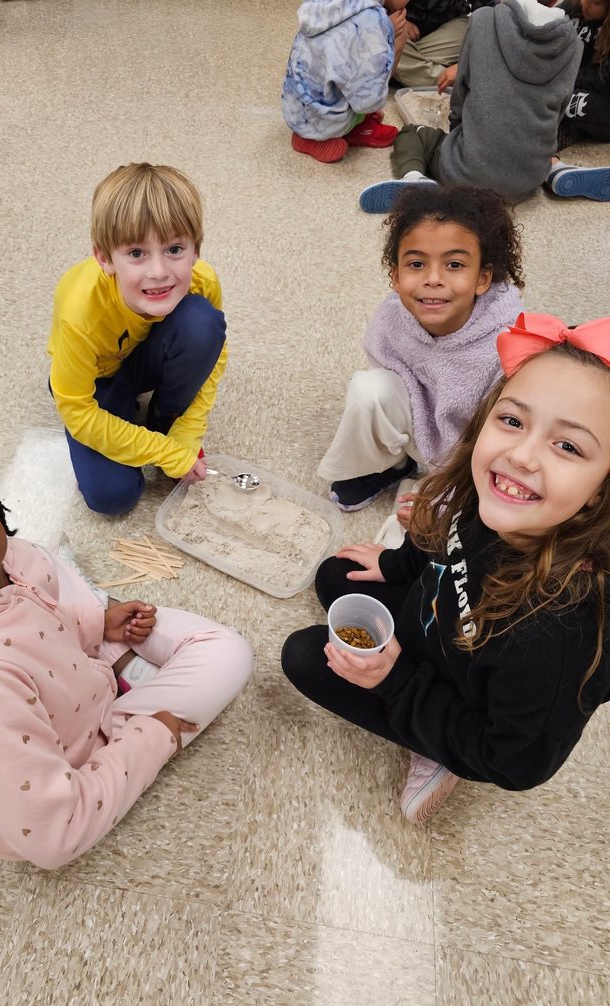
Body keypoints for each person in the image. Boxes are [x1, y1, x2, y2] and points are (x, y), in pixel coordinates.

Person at [0, 454, 253, 869]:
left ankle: (109, 647)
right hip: (77, 763)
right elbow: (53, 839)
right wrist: (154, 736)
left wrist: (96, 623)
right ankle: (121, 668)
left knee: (38, 557)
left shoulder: (5, 565)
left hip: (79, 689)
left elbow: (32, 627)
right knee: (228, 656)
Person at [284, 315, 610, 823]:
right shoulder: (495, 497)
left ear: (600, 495)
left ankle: (438, 752)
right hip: (442, 629)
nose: (520, 455)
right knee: (337, 575)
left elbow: (514, 761)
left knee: (304, 656)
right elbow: (452, 547)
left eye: (567, 446)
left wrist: (394, 681)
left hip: (465, 702)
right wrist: (397, 561)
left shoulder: (555, 636)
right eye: (513, 421)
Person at [318, 184, 523, 511]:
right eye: (416, 265)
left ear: (483, 279)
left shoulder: (508, 344)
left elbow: (507, 436)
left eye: (454, 265)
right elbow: (393, 382)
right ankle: (388, 465)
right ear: (395, 276)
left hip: (475, 452)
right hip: (423, 429)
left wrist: (452, 491)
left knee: (433, 536)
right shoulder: (392, 318)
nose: (433, 279)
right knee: (368, 389)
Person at [48, 163, 227, 516]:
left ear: (196, 251)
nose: (159, 272)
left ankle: (165, 414)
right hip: (99, 380)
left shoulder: (202, 280)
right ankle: (141, 419)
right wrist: (164, 452)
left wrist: (185, 433)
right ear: (104, 257)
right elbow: (79, 413)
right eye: (136, 253)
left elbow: (215, 356)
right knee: (113, 497)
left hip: (146, 355)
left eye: (175, 249)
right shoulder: (79, 312)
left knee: (203, 325)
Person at [359, 0, 610, 210]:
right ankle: (555, 170)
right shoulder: (572, 43)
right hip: (528, 178)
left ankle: (414, 179)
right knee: (532, 145)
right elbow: (560, 107)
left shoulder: (482, 20)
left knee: (414, 134)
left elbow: (460, 95)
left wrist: (460, 132)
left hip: (467, 174)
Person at [280, 0, 405, 164]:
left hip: (295, 106)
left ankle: (323, 129)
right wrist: (385, 34)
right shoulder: (372, 21)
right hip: (324, 116)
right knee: (368, 91)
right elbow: (369, 102)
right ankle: (318, 138)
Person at [549, 0, 610, 192]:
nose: (585, 3)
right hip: (564, 81)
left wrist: (558, 78)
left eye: (596, 2)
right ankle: (552, 166)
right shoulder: (572, 7)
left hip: (598, 97)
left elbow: (603, 80)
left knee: (571, 103)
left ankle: (550, 166)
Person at [391, 0, 473, 89]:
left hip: (442, 34)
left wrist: (460, 67)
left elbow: (488, 14)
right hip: (396, 31)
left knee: (473, 29)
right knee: (385, 42)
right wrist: (391, 21)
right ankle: (446, 81)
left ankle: (406, 71)